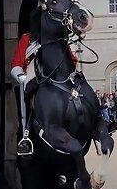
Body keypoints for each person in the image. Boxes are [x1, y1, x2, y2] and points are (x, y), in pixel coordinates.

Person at [10, 26, 78, 155]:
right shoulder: (27, 39)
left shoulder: (58, 38)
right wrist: (21, 76)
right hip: (37, 79)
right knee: (27, 95)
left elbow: (71, 61)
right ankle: (26, 136)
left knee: (80, 88)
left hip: (58, 80)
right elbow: (17, 64)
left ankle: (95, 122)